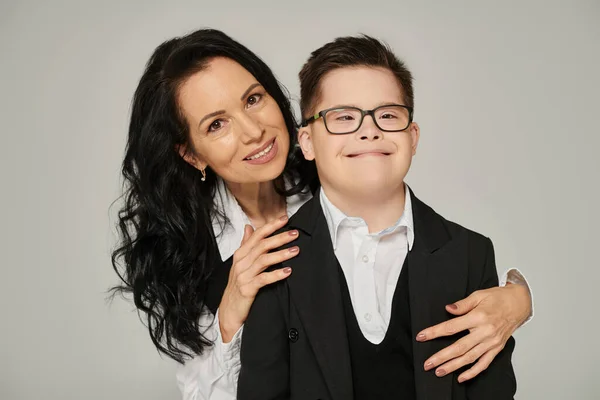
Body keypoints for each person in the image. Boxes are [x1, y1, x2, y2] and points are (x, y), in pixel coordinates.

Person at [110, 29, 532, 400]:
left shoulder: (339, 166)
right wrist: (231, 311)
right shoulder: (192, 256)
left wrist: (518, 296)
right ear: (190, 153)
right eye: (216, 125)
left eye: (254, 99)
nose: (253, 130)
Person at [237, 35, 518, 399]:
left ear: (412, 137)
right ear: (306, 142)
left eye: (387, 115)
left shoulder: (469, 253)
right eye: (344, 117)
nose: (369, 130)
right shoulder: (272, 257)